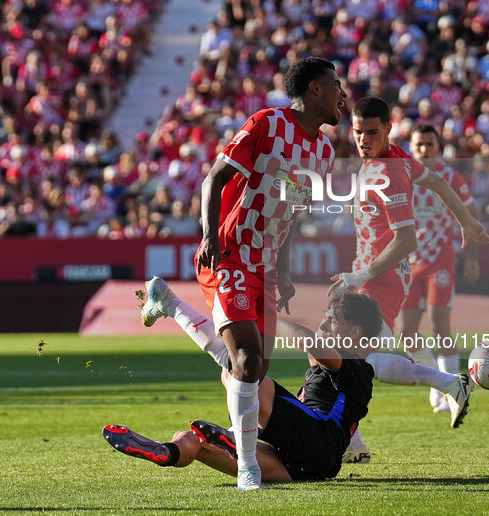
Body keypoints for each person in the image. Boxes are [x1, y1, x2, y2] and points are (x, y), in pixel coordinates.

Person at [141, 57, 347, 490]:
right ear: (314, 89)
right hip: (232, 254)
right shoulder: (265, 124)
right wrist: (210, 236)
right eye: (336, 85)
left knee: (254, 370)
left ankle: (169, 304)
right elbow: (213, 179)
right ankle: (249, 468)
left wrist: (285, 269)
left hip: (268, 268)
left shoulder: (324, 152)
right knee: (247, 360)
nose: (342, 95)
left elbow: (291, 211)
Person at [329, 97, 489, 462]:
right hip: (371, 272)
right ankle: (448, 385)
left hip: (381, 276)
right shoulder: (394, 158)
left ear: (388, 128)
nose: (363, 139)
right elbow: (436, 181)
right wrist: (466, 220)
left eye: (372, 132)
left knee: (348, 357)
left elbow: (407, 240)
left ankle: (352, 441)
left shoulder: (389, 172)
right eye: (358, 132)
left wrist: (362, 273)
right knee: (343, 356)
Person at [104, 292, 380, 483]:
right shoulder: (333, 377)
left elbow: (308, 341)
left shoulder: (357, 368)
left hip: (318, 437)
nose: (323, 325)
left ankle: (172, 305)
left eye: (331, 321)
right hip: (311, 466)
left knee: (241, 373)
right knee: (194, 440)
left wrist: (264, 317)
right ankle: (168, 452)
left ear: (354, 333)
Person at [397, 125, 480, 412]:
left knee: (439, 324)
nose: (424, 149)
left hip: (440, 260)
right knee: (405, 332)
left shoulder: (449, 176)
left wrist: (472, 256)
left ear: (437, 146)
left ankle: (453, 391)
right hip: (408, 262)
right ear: (411, 146)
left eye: (429, 144)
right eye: (419, 144)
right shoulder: (401, 175)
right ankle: (440, 383)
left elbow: (470, 212)